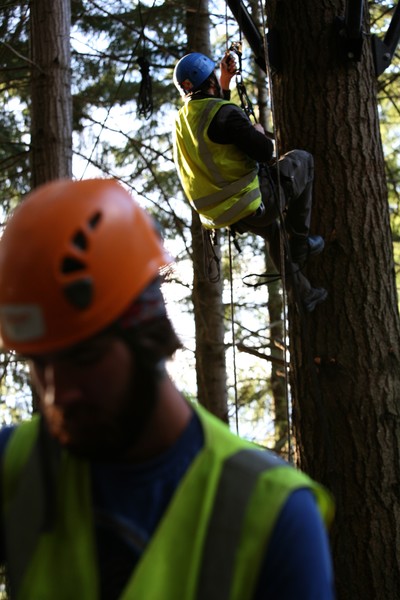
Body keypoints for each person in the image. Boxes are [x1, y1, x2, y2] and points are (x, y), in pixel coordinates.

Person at [0, 178, 335, 599]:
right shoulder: (17, 466)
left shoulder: (273, 517)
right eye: (38, 363)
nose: (56, 393)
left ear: (147, 336)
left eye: (84, 359)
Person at [173, 51, 328, 312]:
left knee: (274, 233)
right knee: (303, 160)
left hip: (226, 215)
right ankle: (300, 244)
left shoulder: (183, 120)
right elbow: (264, 152)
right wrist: (257, 133)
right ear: (209, 81)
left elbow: (215, 127)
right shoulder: (223, 114)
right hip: (251, 200)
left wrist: (224, 81)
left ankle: (304, 295)